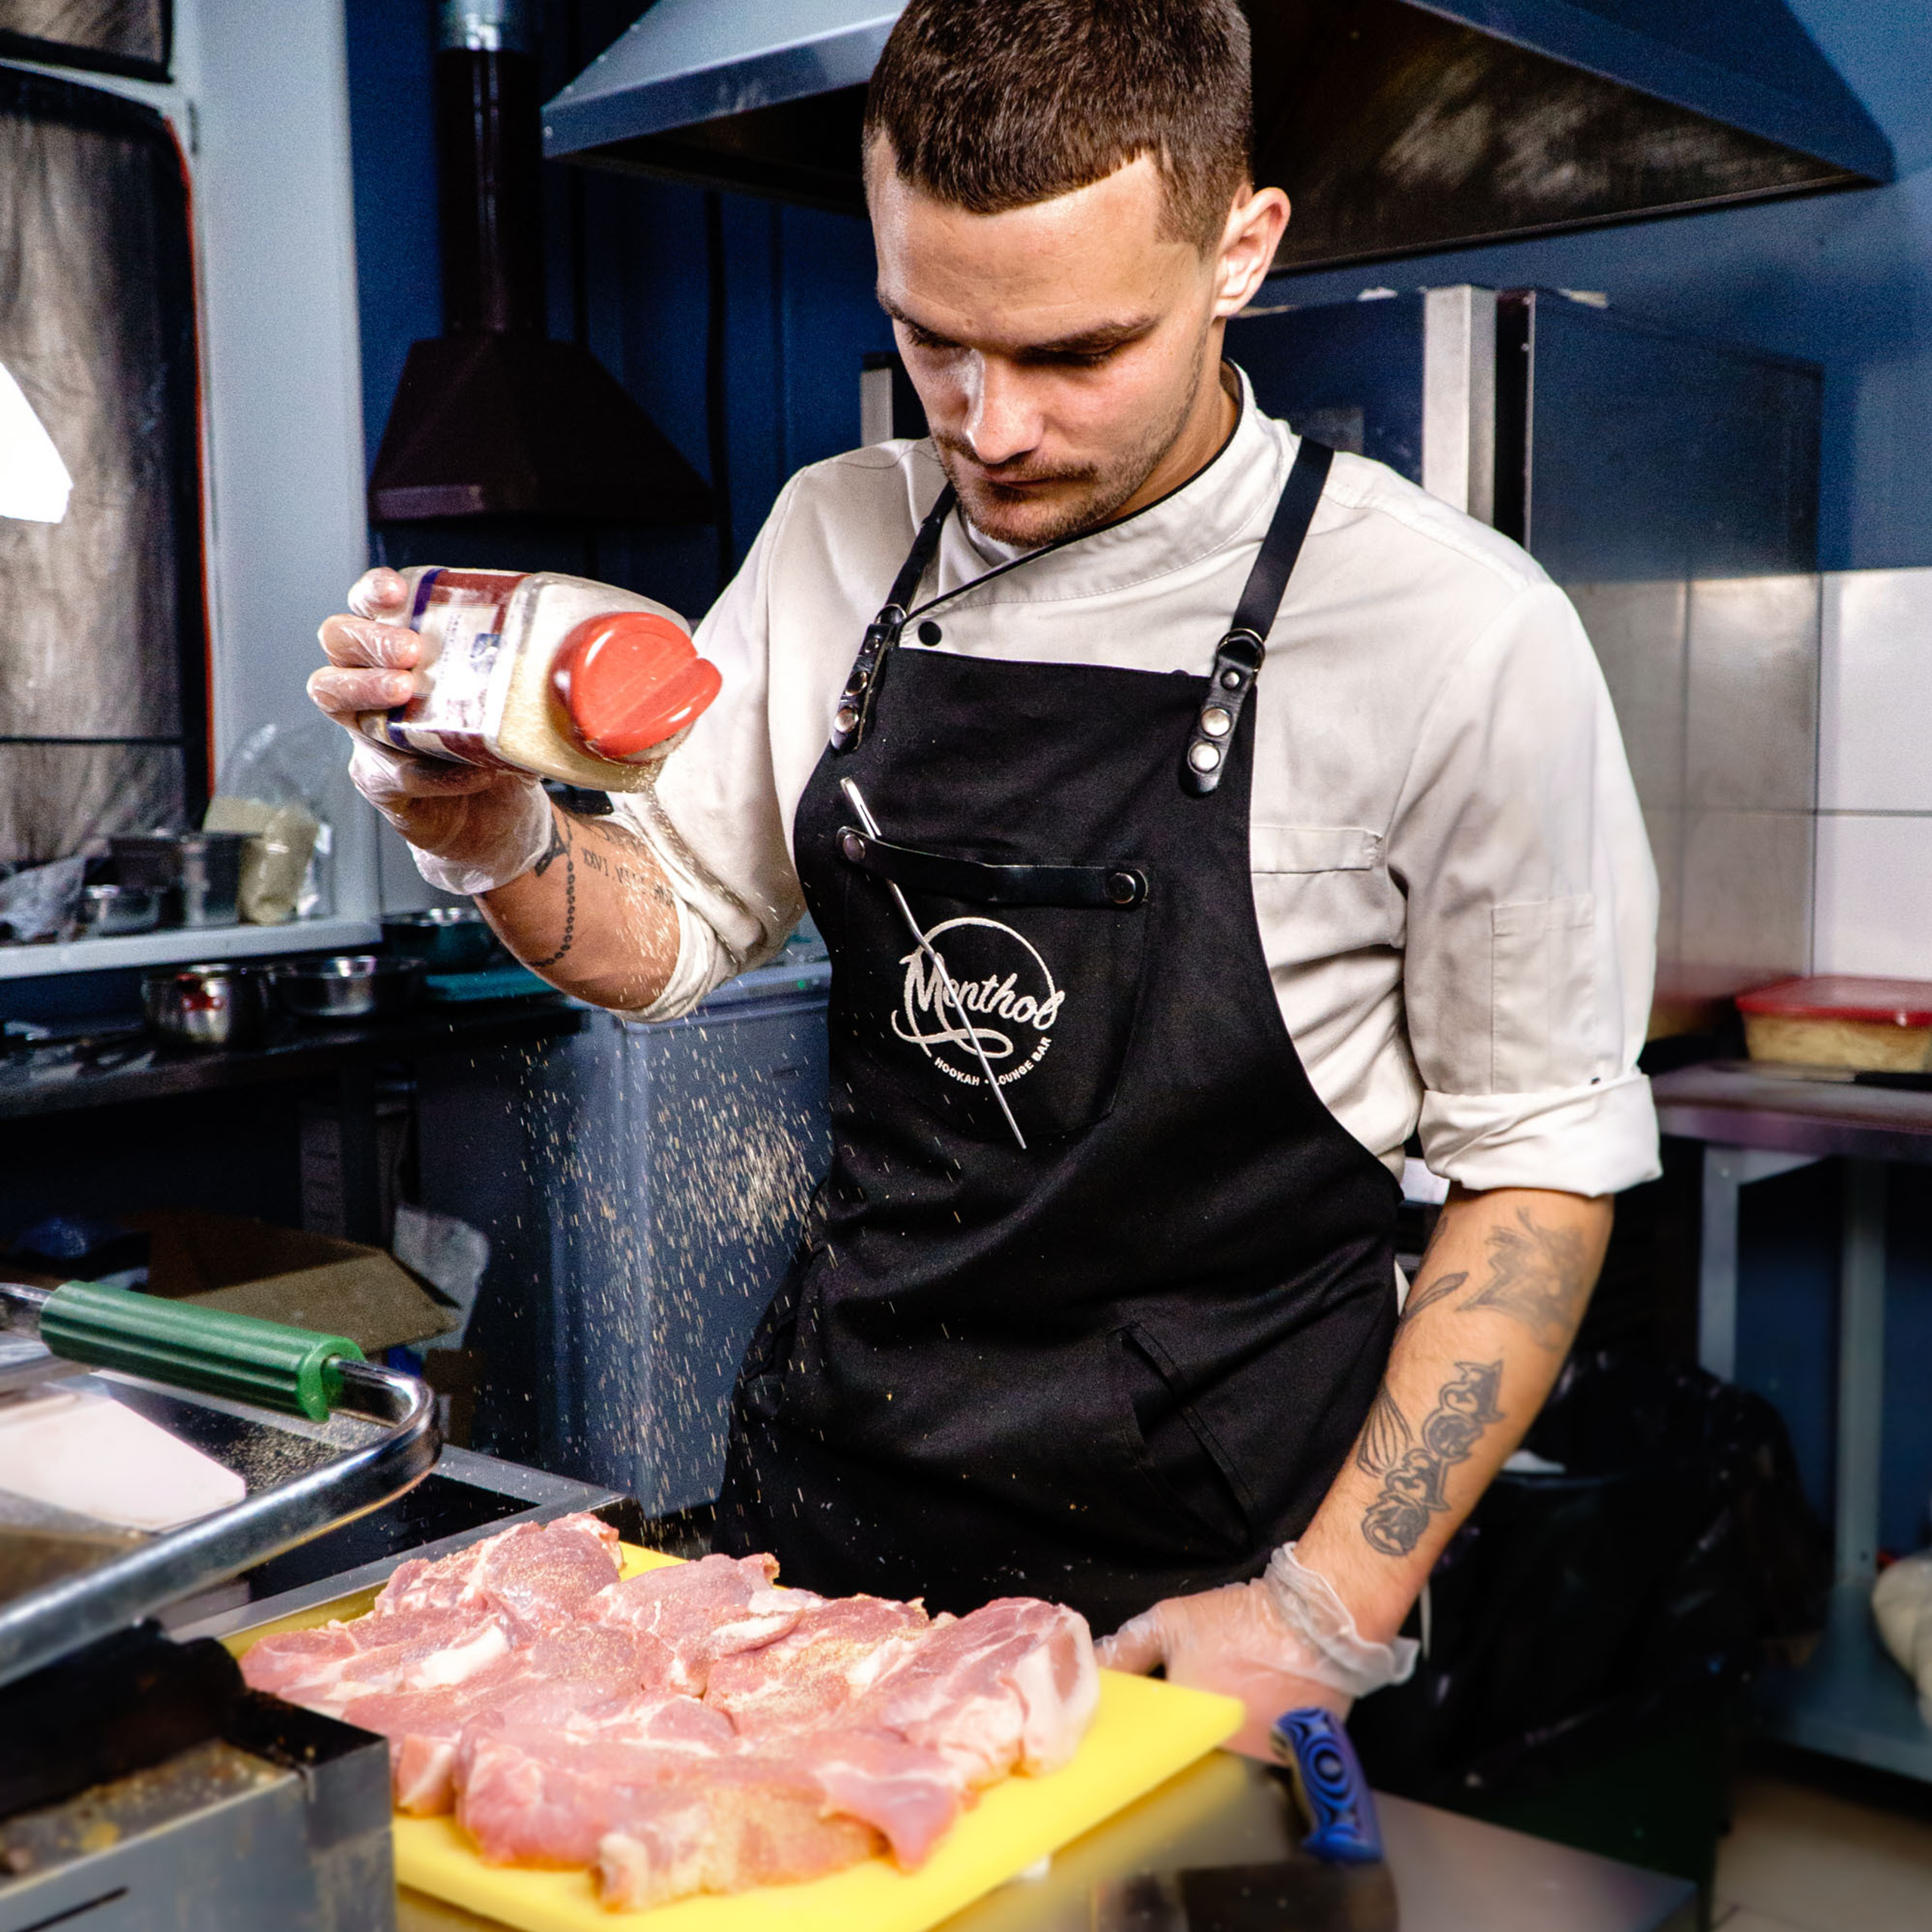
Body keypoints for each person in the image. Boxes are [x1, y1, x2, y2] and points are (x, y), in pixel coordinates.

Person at [311, 0, 1659, 1755]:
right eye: (930, 340)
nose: (991, 424)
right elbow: (664, 941)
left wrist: (1326, 1604)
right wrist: (488, 834)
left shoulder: (1458, 636)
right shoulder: (833, 537)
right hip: (828, 1521)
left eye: (1072, 352)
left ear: (1238, 248)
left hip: (1202, 1584)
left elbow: (1538, 1173)